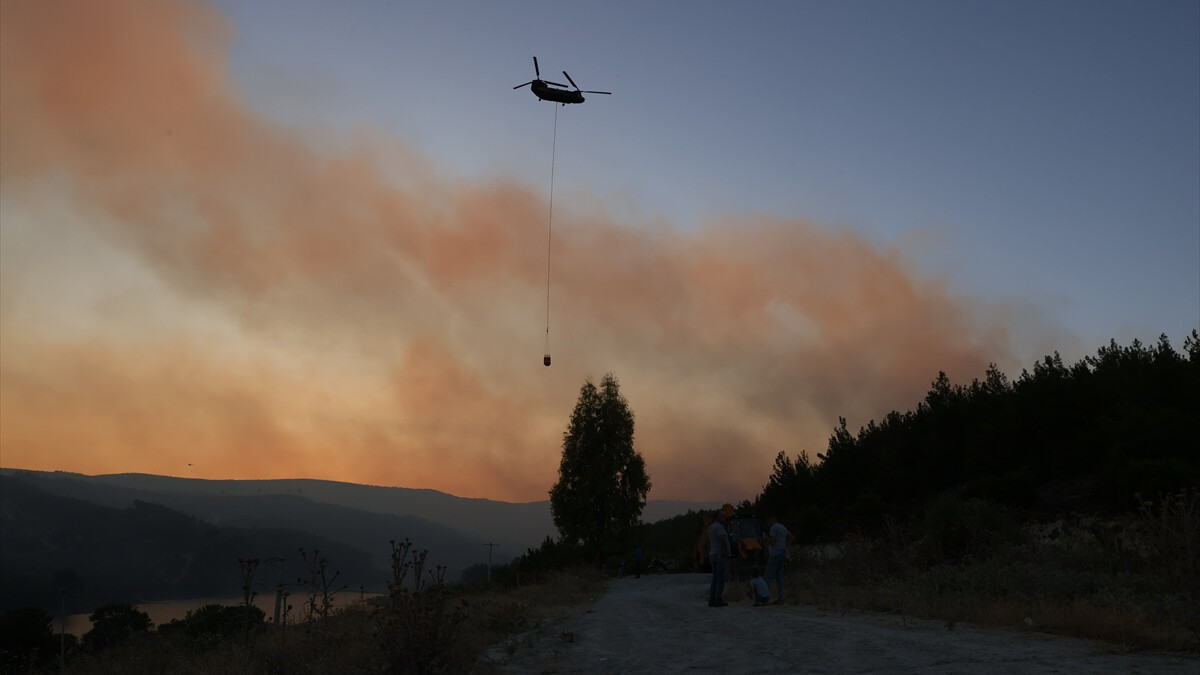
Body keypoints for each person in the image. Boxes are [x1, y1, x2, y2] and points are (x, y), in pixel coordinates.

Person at [764, 513, 794, 604]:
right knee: (779, 578)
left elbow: (772, 541)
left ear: (772, 519)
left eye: (768, 521)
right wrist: (785, 544)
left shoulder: (773, 528)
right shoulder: (782, 527)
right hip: (782, 553)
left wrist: (767, 540)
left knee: (768, 576)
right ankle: (781, 598)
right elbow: (791, 536)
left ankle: (764, 598)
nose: (768, 523)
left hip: (775, 554)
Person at [708, 509, 731, 607]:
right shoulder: (719, 527)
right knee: (721, 578)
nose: (724, 518)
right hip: (720, 555)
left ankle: (712, 599)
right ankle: (718, 599)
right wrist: (725, 551)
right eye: (722, 516)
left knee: (715, 578)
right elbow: (722, 538)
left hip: (713, 554)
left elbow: (707, 540)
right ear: (717, 517)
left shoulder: (711, 527)